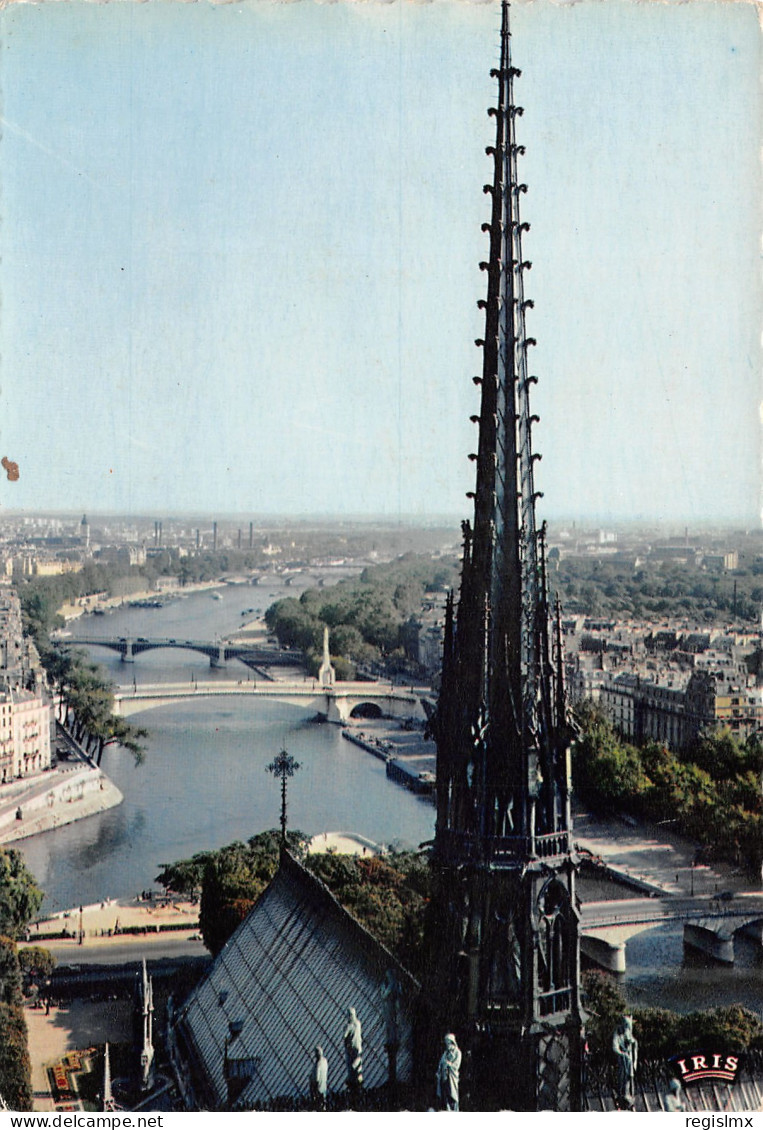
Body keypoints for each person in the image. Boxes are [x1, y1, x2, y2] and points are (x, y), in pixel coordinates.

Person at [612, 1015, 638, 1110]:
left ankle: (630, 1096)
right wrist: (622, 1054)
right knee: (622, 1079)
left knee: (629, 1078)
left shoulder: (628, 1034)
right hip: (622, 1061)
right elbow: (615, 1047)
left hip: (629, 1061)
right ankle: (623, 1096)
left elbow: (633, 1044)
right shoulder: (618, 1033)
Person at [436, 1033, 461, 1111]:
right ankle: (447, 1108)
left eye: (448, 1042)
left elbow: (457, 1065)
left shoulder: (457, 1052)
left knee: (452, 1093)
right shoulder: (445, 1052)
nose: (447, 1044)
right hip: (445, 1076)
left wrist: (450, 1064)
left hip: (452, 1076)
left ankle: (454, 1109)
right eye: (446, 1042)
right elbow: (441, 1062)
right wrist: (439, 1070)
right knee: (445, 1093)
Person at [343, 1007, 363, 1090]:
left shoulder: (349, 1026)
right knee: (358, 1064)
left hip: (351, 1050)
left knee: (351, 1066)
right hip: (358, 1049)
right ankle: (358, 1078)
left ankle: (352, 1080)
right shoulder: (358, 1023)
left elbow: (344, 1037)